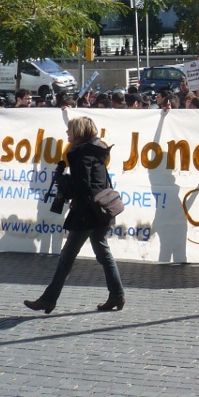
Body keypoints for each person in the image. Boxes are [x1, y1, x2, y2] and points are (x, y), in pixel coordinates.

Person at [24, 116, 125, 314]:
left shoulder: (80, 154)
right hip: (101, 209)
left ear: (78, 132)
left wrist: (63, 182)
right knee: (104, 254)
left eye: (70, 130)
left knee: (67, 257)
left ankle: (48, 299)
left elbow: (82, 186)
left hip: (87, 212)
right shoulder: (97, 150)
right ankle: (117, 295)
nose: (67, 133)